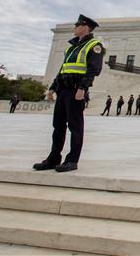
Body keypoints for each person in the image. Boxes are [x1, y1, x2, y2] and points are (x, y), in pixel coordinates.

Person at [32, 14, 104, 173]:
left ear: (85, 27)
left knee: (75, 126)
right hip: (63, 89)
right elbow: (63, 69)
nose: (74, 28)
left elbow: (94, 70)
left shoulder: (95, 45)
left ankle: (72, 160)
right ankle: (53, 158)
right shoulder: (71, 46)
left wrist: (83, 88)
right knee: (58, 125)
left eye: (77, 25)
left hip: (76, 89)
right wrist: (52, 88)